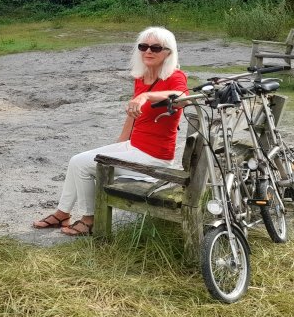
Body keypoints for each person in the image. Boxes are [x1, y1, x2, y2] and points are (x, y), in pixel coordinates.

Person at [32, 26, 188, 236]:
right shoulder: (141, 78)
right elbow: (133, 116)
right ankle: (63, 213)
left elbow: (181, 97)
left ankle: (90, 220)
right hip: (135, 147)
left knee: (81, 163)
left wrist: (147, 97)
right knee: (76, 160)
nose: (148, 51)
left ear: (168, 52)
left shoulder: (174, 76)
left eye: (156, 48)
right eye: (143, 46)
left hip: (154, 158)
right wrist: (118, 144)